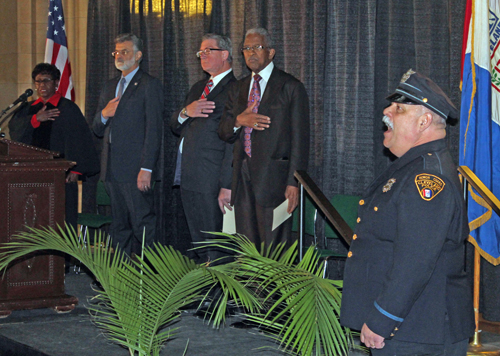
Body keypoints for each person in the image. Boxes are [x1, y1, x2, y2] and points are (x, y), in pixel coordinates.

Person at [340, 69, 474, 355]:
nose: (387, 110)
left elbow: (415, 261)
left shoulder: (427, 179)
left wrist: (383, 319)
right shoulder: (413, 168)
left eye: (399, 109)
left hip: (419, 329)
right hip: (413, 325)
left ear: (424, 121)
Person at [218, 28, 310, 247]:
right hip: (242, 176)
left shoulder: (291, 87)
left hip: (275, 181)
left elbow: (300, 139)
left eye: (257, 47)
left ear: (271, 52)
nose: (251, 53)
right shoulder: (238, 88)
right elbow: (223, 131)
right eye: (246, 48)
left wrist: (293, 182)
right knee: (246, 248)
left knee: (274, 249)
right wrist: (239, 121)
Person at [93, 33, 164, 257]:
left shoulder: (148, 85)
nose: (119, 56)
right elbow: (96, 128)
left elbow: (153, 130)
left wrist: (147, 168)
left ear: (139, 55)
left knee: (142, 225)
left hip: (136, 170)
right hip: (112, 169)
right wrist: (104, 114)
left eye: (125, 51)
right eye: (116, 52)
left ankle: (146, 278)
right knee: (118, 227)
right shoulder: (109, 86)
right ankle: (119, 278)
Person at [9, 63, 99, 232]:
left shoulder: (67, 108)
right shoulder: (28, 109)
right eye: (37, 81)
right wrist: (36, 119)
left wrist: (76, 170)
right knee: (35, 219)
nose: (41, 85)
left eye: (46, 80)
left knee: (61, 220)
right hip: (33, 175)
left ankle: (63, 259)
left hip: (61, 176)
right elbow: (15, 133)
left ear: (56, 83)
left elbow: (81, 141)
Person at [171, 33, 235, 264]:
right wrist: (186, 112)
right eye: (200, 52)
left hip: (213, 178)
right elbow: (174, 126)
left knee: (216, 242)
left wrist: (227, 184)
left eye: (209, 50)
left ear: (225, 54)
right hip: (189, 175)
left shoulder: (235, 90)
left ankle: (220, 295)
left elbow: (233, 141)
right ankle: (205, 291)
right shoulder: (199, 87)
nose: (203, 56)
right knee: (197, 240)